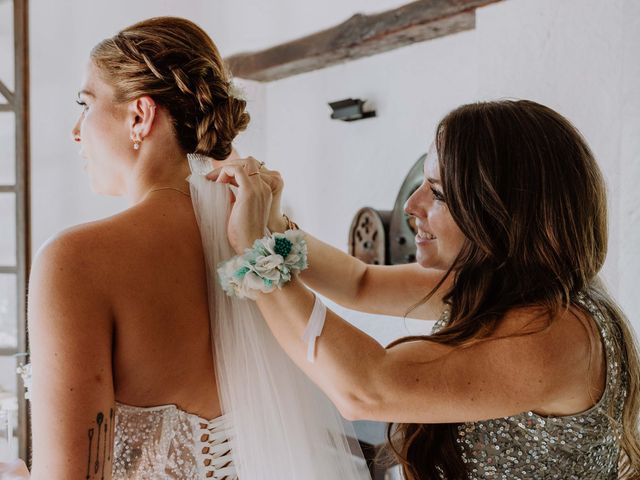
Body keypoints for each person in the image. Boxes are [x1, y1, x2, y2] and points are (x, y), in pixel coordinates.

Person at [14, 16, 370, 480]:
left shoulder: (75, 261)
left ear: (140, 116)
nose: (76, 131)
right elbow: (363, 284)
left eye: (85, 104)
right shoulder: (258, 231)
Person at [211, 99, 640, 479]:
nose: (410, 206)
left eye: (437, 193)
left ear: (502, 211)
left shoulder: (558, 335)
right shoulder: (507, 281)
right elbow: (360, 283)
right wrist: (271, 222)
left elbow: (365, 390)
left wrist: (254, 254)